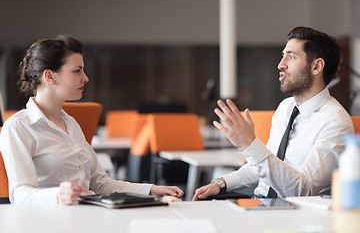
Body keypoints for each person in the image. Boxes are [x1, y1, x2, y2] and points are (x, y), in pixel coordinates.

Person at [0, 35, 183, 205]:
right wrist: (57, 195)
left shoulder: (71, 124)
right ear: (50, 76)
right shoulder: (18, 127)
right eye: (77, 71)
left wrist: (151, 190)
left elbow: (101, 184)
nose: (85, 78)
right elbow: (20, 194)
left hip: (86, 216)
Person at [192, 26, 354, 201]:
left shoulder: (335, 123)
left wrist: (249, 144)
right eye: (283, 55)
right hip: (259, 203)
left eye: (291, 56)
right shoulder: (286, 107)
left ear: (316, 66)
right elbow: (265, 166)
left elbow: (303, 190)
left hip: (293, 216)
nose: (280, 65)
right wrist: (222, 183)